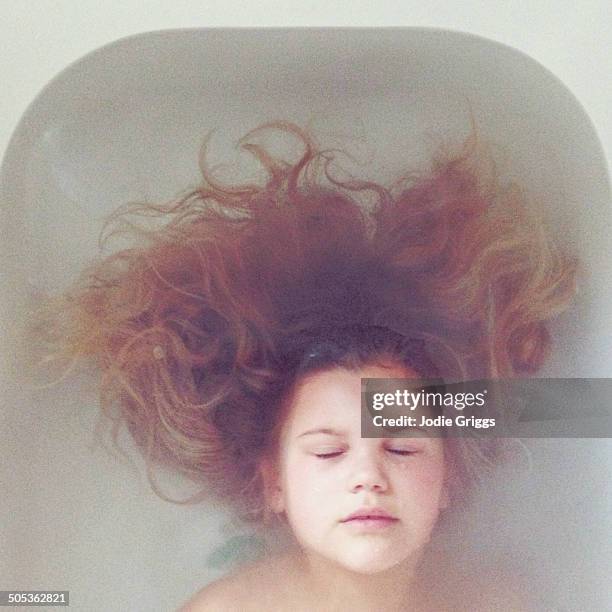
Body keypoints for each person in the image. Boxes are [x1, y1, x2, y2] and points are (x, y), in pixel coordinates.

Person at [26, 121, 578, 610]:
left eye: (403, 446)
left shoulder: (500, 601)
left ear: (450, 479)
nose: (369, 479)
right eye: (328, 451)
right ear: (273, 484)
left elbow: (579, 411)